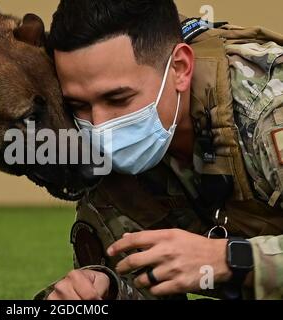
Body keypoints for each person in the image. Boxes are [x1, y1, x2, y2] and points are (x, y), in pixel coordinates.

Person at [35, 0, 283, 300]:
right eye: (79, 105)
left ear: (180, 69)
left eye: (118, 99)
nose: (99, 128)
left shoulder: (268, 108)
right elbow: (143, 286)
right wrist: (105, 292)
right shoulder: (102, 155)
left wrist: (229, 258)